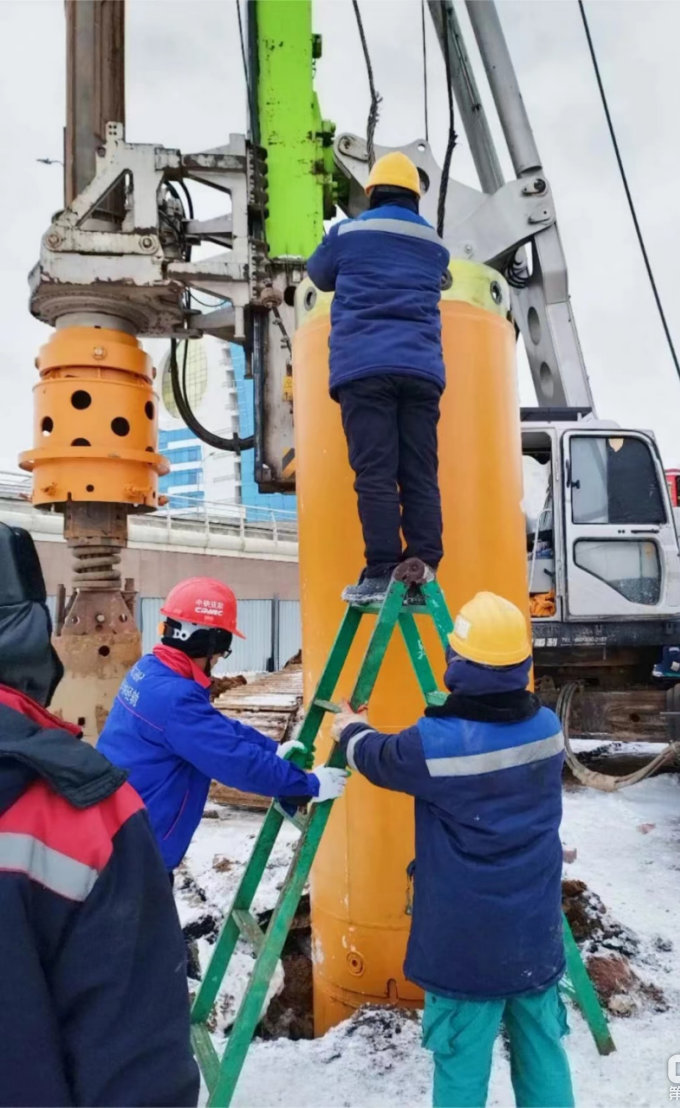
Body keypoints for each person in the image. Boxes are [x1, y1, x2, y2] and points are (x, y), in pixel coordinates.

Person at [332, 591, 574, 1108]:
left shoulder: (435, 744)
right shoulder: (548, 729)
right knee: (544, 1054)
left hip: (466, 946)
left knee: (462, 1068)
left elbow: (376, 757)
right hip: (534, 932)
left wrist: (348, 727)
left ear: (458, 664)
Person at [0, 522, 199, 1107]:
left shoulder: (149, 677)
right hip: (134, 863)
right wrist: (303, 778)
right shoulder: (81, 816)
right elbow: (136, 1074)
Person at [98, 577, 347, 875]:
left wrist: (273, 749)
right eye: (222, 648)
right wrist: (307, 786)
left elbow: (216, 729)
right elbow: (234, 760)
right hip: (135, 857)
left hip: (119, 830)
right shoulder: (175, 699)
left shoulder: (151, 671)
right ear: (209, 641)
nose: (218, 659)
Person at [306, 150, 451, 604]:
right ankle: (423, 563)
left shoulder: (347, 233)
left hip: (365, 368)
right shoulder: (435, 245)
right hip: (421, 372)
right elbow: (442, 280)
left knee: (376, 473)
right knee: (420, 473)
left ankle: (382, 569)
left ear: (371, 193)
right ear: (415, 196)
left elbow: (319, 274)